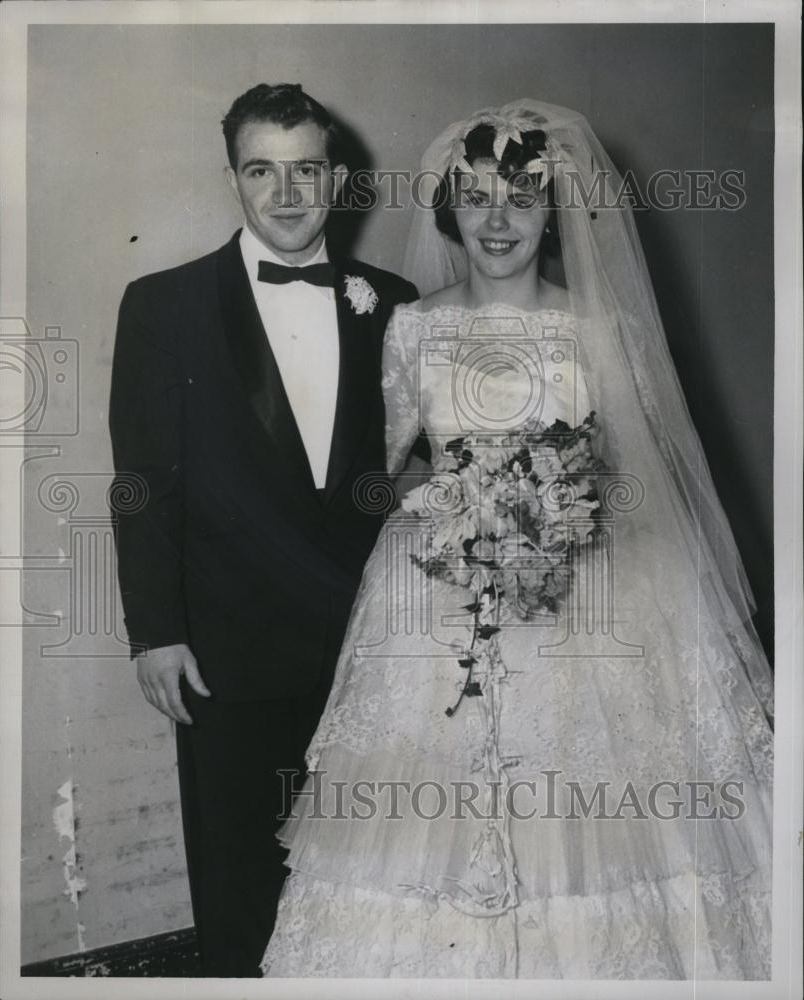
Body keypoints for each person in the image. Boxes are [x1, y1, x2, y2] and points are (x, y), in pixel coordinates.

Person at [260, 100, 774, 979]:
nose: (498, 220)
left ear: (556, 210)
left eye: (523, 197)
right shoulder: (413, 326)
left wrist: (560, 509)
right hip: (435, 591)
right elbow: (381, 474)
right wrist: (454, 502)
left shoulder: (596, 328)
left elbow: (632, 474)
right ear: (449, 210)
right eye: (477, 197)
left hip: (587, 591)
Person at [108, 82, 417, 977]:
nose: (286, 195)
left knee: (360, 876)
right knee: (242, 880)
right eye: (261, 171)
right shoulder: (161, 306)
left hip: (370, 646)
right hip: (225, 647)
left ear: (338, 176)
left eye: (306, 170)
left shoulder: (394, 302)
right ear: (234, 179)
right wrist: (155, 631)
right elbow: (141, 486)